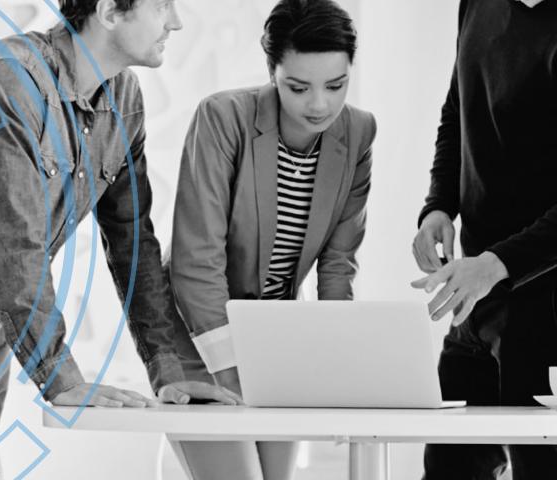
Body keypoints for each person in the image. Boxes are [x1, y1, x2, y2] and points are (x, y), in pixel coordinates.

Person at [0, 1, 240, 478]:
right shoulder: (8, 81)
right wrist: (59, 377)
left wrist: (169, 369)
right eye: (161, 6)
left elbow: (133, 243)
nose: (176, 22)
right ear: (109, 12)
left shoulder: (124, 100)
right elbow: (15, 240)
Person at [164, 0, 376, 478]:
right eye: (297, 87)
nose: (319, 104)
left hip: (275, 330)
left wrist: (334, 352)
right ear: (272, 72)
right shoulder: (223, 118)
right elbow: (196, 259)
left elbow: (339, 262)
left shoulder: (359, 131)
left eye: (336, 85)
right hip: (196, 327)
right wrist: (233, 370)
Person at [411, 0, 557, 478]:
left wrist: (494, 264)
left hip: (546, 313)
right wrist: (438, 205)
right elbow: (458, 107)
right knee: (448, 469)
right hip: (474, 302)